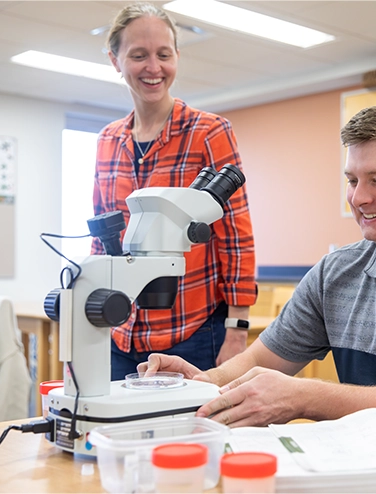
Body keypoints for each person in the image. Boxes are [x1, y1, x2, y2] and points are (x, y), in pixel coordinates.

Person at [140, 101, 376, 434]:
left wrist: (306, 397)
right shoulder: (336, 273)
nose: (359, 198)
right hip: (367, 470)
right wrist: (202, 382)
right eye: (352, 180)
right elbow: (260, 360)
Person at [92, 3, 257, 380]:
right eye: (138, 55)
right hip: (121, 331)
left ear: (177, 57)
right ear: (115, 61)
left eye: (164, 55)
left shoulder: (208, 132)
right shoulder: (107, 140)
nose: (154, 67)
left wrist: (238, 328)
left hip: (194, 332)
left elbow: (235, 235)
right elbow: (102, 239)